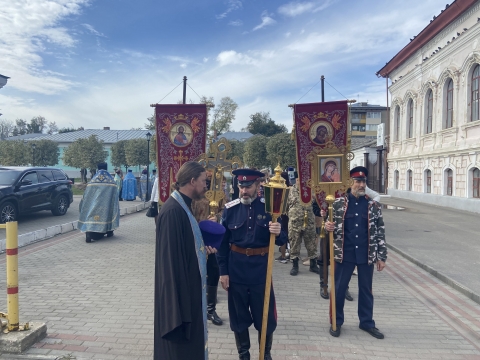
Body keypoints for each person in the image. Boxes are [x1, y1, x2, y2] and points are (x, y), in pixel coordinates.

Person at [217, 168, 287, 360]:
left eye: (248, 186)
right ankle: (244, 354)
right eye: (241, 186)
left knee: (265, 316)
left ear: (258, 186)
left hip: (261, 271)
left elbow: (282, 240)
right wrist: (223, 272)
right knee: (238, 317)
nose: (244, 190)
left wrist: (278, 230)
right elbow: (223, 244)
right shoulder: (230, 209)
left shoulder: (270, 208)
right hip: (236, 270)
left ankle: (265, 353)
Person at [154, 161, 217, 360]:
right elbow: (170, 264)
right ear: (192, 181)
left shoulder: (184, 208)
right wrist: (176, 313)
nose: (206, 186)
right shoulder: (173, 212)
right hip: (180, 303)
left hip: (189, 295)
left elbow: (185, 249)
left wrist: (202, 249)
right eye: (203, 181)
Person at [325, 166, 387, 339]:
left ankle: (366, 322)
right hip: (344, 253)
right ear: (350, 183)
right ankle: (336, 322)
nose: (361, 185)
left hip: (367, 254)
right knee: (339, 289)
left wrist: (381, 256)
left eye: (363, 182)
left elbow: (380, 230)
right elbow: (328, 226)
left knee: (366, 290)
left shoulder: (373, 206)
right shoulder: (337, 204)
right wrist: (326, 226)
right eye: (358, 181)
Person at [191, 170, 225, 326]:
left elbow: (226, 210)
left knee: (213, 271)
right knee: (195, 273)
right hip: (196, 237)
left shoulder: (220, 195)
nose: (207, 183)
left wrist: (217, 217)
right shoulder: (195, 194)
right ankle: (195, 309)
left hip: (213, 240)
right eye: (206, 180)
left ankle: (211, 309)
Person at [78, 163, 120, 243]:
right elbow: (114, 199)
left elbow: (86, 196)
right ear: (106, 168)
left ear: (97, 168)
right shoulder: (112, 182)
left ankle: (88, 232)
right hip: (105, 207)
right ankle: (109, 231)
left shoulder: (92, 182)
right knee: (108, 215)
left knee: (91, 215)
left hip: (93, 207)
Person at [287, 171, 319, 276]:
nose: (299, 181)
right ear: (295, 180)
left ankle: (313, 265)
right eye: (297, 179)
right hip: (295, 222)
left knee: (311, 244)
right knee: (294, 244)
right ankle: (295, 266)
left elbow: (318, 202)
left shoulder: (311, 190)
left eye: (301, 179)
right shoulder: (290, 191)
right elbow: (285, 206)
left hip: (309, 221)